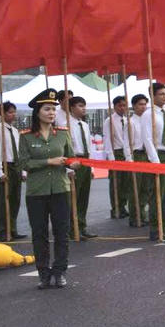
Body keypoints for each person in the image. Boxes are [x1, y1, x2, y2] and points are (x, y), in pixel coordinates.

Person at [20, 88, 73, 289]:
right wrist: (49, 161)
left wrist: (72, 164)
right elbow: (23, 163)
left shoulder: (62, 134)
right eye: (47, 109)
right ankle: (43, 273)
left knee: (62, 232)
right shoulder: (26, 137)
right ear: (37, 112)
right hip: (37, 192)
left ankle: (60, 272)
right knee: (39, 233)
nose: (51, 113)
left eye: (53, 109)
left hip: (60, 188)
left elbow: (70, 156)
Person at [140, 82, 165, 241]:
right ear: (153, 95)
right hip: (158, 156)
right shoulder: (148, 115)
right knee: (157, 194)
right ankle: (155, 228)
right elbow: (147, 139)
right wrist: (155, 161)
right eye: (162, 94)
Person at [0, 101, 24, 242]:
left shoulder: (15, 131)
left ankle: (13, 228)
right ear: (1, 114)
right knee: (4, 200)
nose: (13, 115)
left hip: (16, 166)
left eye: (14, 112)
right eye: (10, 112)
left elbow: (19, 151)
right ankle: (3, 230)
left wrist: (22, 170)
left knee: (15, 199)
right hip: (5, 166)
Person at [64, 95, 95, 239]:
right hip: (74, 161)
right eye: (80, 106)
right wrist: (69, 168)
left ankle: (82, 226)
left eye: (84, 106)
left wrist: (92, 167)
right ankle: (72, 228)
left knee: (84, 196)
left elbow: (89, 146)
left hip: (86, 161)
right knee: (73, 198)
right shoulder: (65, 125)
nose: (83, 109)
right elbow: (65, 148)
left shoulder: (84, 125)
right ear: (71, 108)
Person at [104, 95, 134, 220]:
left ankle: (123, 206)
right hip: (116, 152)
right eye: (120, 105)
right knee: (116, 182)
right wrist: (111, 157)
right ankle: (116, 208)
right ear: (114, 106)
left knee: (127, 182)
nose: (122, 108)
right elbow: (107, 139)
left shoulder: (128, 120)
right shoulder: (109, 121)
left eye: (124, 105)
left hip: (126, 152)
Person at [128, 93, 153, 228]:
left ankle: (142, 214)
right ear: (134, 106)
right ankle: (135, 216)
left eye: (145, 104)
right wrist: (129, 161)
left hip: (147, 155)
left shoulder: (147, 120)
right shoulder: (131, 122)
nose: (143, 107)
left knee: (146, 187)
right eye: (140, 104)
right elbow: (128, 144)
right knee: (135, 188)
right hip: (137, 155)